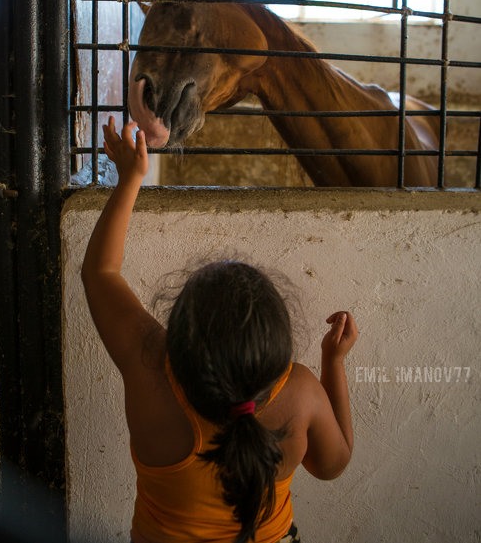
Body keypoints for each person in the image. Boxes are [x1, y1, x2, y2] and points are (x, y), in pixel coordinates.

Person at [82, 118, 358, 543]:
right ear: (275, 349)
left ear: (179, 338)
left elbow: (101, 272)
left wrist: (130, 179)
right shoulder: (299, 392)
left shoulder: (152, 369)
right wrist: (332, 362)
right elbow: (332, 464)